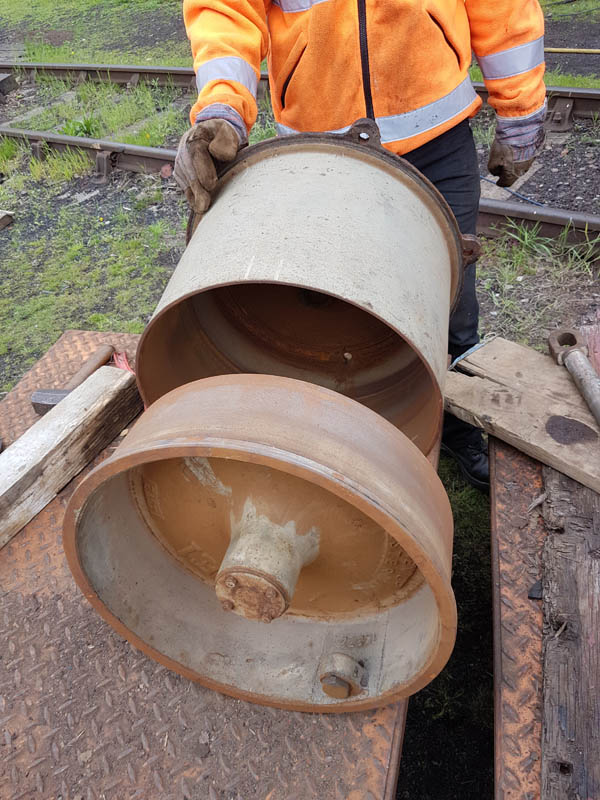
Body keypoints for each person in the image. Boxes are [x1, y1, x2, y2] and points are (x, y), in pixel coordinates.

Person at [174, 0, 547, 490]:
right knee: (328, 297)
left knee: (450, 301)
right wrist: (223, 106)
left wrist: (521, 109)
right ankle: (344, 440)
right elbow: (226, 11)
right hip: (322, 146)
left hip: (436, 136)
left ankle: (458, 429)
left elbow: (502, 9)